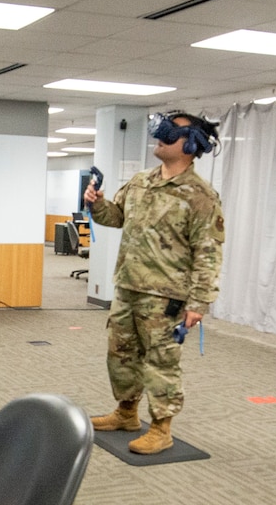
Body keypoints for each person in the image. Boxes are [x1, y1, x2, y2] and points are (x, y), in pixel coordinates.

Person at [84, 112, 225, 454]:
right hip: (128, 285)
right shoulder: (140, 181)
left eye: (170, 133)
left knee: (161, 362)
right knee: (120, 355)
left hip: (166, 296)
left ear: (191, 144)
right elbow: (116, 218)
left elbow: (209, 250)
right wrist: (98, 204)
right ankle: (127, 413)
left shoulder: (200, 196)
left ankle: (162, 428)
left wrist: (199, 302)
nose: (159, 138)